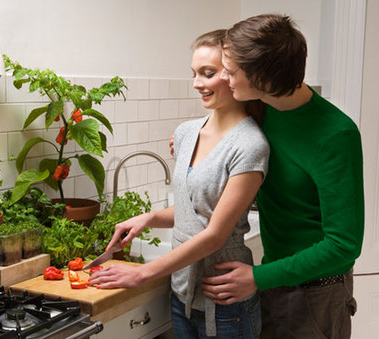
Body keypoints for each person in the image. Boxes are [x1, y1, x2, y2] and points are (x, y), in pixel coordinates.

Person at [89, 29, 270, 338]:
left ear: (235, 76)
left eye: (208, 73)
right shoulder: (186, 132)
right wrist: (149, 218)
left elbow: (214, 235)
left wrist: (142, 274)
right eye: (194, 74)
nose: (197, 83)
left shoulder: (250, 144)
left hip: (226, 304)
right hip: (181, 296)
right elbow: (196, 209)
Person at [200, 14, 364, 339]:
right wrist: (196, 138)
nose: (225, 78)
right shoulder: (261, 108)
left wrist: (257, 278)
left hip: (318, 295)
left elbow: (343, 245)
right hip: (274, 281)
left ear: (262, 77)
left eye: (231, 72)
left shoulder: (336, 135)